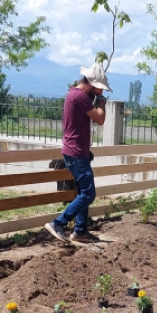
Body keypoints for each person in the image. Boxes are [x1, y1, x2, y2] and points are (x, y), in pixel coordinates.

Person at [44, 63, 109, 244]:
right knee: (88, 194)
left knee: (82, 191)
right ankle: (58, 223)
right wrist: (102, 103)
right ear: (89, 83)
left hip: (76, 152)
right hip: (76, 153)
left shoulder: (75, 95)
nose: (99, 92)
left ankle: (80, 231)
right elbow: (100, 119)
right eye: (98, 89)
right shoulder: (80, 97)